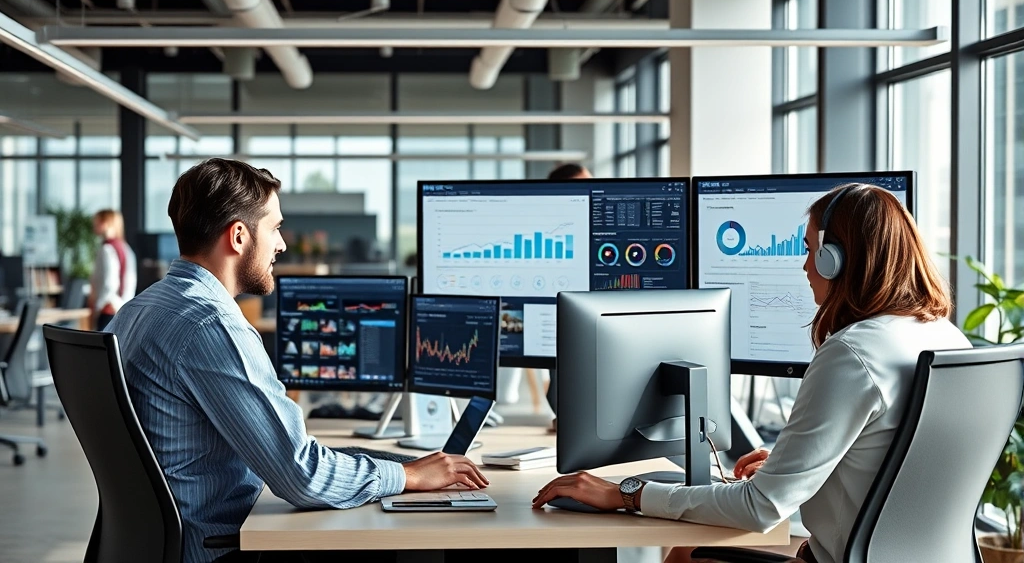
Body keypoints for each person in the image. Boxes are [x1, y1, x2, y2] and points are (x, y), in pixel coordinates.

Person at [532, 183, 970, 563]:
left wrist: (625, 493)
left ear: (834, 259)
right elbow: (897, 468)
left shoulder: (853, 354)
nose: (804, 267)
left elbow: (761, 509)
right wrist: (790, 467)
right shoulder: (949, 339)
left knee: (687, 556)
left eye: (808, 251)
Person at [106, 158, 487, 563]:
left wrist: (391, 464)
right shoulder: (211, 325)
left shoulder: (136, 311)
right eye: (274, 228)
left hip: (163, 544)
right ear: (238, 236)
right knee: (400, 545)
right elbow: (302, 476)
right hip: (222, 550)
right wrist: (408, 475)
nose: (282, 244)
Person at [89, 209, 137, 331]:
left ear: (106, 223)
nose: (93, 225)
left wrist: (98, 307)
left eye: (97, 221)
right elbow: (131, 280)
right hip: (122, 308)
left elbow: (109, 283)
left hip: (108, 309)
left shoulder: (106, 249)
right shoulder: (126, 248)